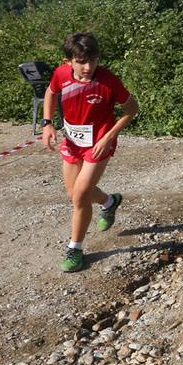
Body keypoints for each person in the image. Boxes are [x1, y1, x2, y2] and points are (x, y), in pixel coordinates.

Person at [40, 32, 138, 273]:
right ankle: (109, 201)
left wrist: (109, 137)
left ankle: (75, 249)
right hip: (73, 142)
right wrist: (47, 123)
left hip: (99, 143)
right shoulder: (61, 74)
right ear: (68, 62)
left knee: (80, 196)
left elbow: (132, 109)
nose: (88, 67)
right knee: (73, 194)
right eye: (81, 62)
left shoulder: (108, 80)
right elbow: (51, 92)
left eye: (93, 60)